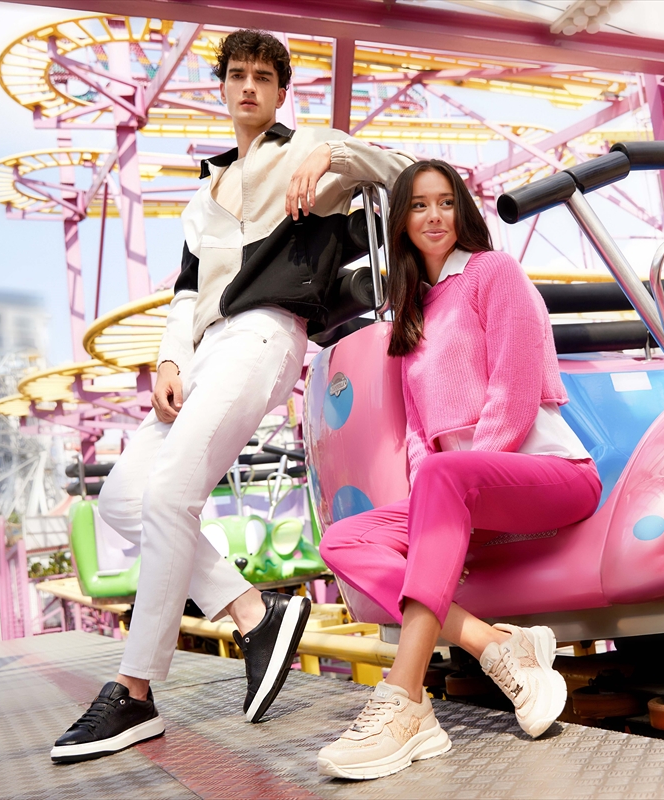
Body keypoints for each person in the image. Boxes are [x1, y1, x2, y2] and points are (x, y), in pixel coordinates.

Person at [50, 30, 414, 764]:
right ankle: (254, 613)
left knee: (171, 494)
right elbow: (187, 291)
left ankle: (135, 691)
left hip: (265, 333)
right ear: (222, 87)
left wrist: (333, 154)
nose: (249, 86)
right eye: (238, 75)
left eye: (263, 77)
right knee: (123, 499)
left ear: (280, 91)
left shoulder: (309, 148)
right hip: (205, 349)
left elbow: (408, 176)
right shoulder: (202, 195)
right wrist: (168, 358)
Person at [316, 160, 601, 780]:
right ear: (402, 221)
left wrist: (456, 494)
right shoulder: (412, 313)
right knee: (343, 540)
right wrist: (434, 515)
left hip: (548, 473)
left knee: (446, 477)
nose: (434, 216)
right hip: (466, 494)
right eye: (419, 205)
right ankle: (493, 644)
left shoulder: (492, 273)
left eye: (446, 202)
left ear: (462, 210)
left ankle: (404, 699)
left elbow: (515, 397)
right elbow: (421, 439)